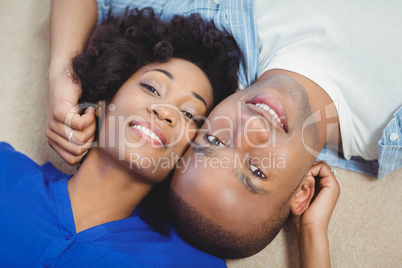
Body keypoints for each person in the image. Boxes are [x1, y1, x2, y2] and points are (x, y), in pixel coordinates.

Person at [47, 0, 401, 264]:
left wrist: (64, 80)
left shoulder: (202, 25)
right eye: (257, 170)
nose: (250, 129)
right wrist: (312, 238)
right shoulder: (389, 131)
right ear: (304, 191)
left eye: (213, 141)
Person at [0, 8, 240, 267]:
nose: (165, 112)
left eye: (189, 114)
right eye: (151, 88)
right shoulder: (6, 170)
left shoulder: (191, 263)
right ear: (105, 97)